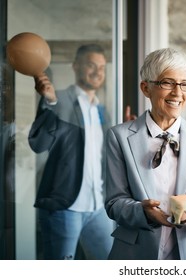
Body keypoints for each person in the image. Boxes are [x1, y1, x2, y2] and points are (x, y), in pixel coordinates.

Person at [104, 47, 186, 260]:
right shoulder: (119, 137)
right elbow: (114, 203)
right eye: (167, 83)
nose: (177, 93)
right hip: (135, 253)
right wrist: (143, 212)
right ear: (146, 88)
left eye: (185, 84)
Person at [28, 44, 114, 260]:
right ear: (76, 66)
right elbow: (39, 144)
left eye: (102, 67)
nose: (97, 72)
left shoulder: (101, 109)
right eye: (91, 65)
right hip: (65, 206)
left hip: (98, 206)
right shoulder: (59, 99)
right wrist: (49, 101)